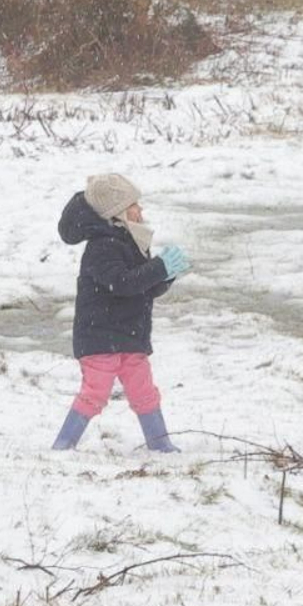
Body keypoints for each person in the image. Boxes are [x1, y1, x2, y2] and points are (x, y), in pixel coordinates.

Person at [51, 173, 192, 452]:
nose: (141, 210)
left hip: (130, 336)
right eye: (134, 205)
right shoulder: (102, 247)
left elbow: (143, 289)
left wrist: (167, 275)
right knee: (95, 393)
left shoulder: (131, 241)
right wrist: (159, 268)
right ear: (118, 213)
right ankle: (63, 446)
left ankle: (161, 445)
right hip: (100, 337)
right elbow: (123, 284)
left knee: (144, 392)